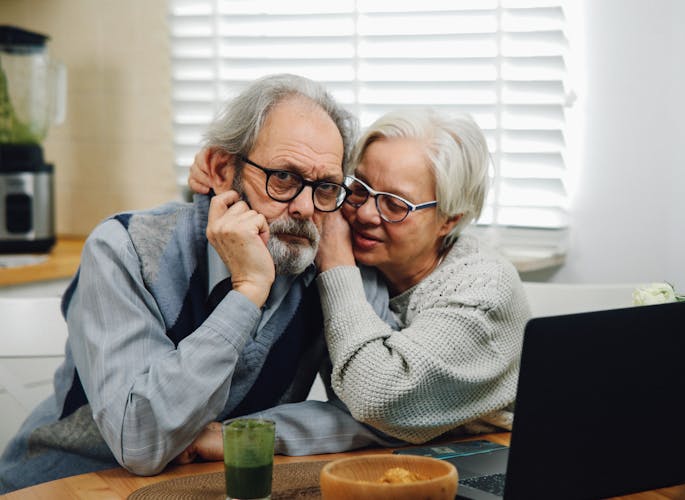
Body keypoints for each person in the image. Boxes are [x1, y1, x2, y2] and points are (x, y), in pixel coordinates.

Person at [0, 73, 393, 493]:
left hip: (217, 486)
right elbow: (141, 440)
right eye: (283, 177)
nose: (303, 207)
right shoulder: (125, 248)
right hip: (66, 483)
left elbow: (386, 414)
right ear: (224, 169)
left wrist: (242, 436)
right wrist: (248, 291)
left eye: (325, 187)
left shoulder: (331, 263)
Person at [188, 107, 531, 449]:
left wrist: (336, 261)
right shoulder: (366, 258)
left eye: (395, 205)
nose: (365, 213)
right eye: (360, 188)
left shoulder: (485, 289)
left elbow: (376, 399)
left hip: (492, 455)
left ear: (448, 221)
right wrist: (223, 173)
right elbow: (356, 415)